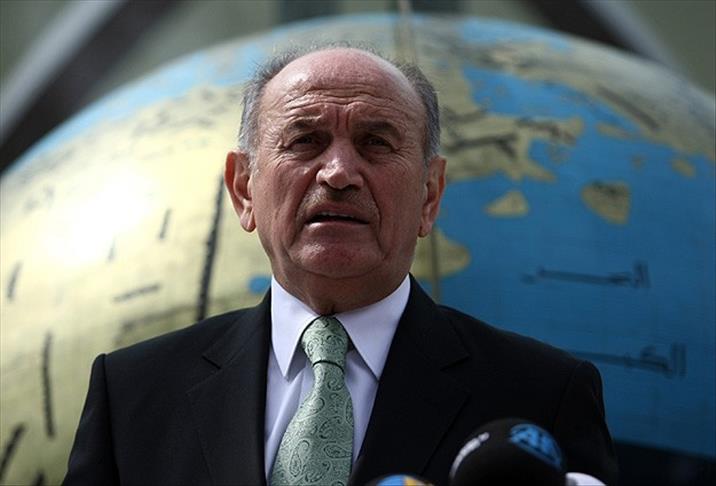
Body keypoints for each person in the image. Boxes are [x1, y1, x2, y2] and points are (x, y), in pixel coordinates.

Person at [64, 46, 618, 486]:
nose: (338, 173)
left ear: (429, 195)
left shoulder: (541, 396)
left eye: (376, 142)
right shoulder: (134, 394)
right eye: (305, 140)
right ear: (244, 189)